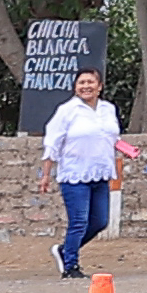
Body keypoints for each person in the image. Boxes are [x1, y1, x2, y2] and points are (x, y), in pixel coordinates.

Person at [39, 68, 134, 277]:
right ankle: (71, 265)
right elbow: (52, 143)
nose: (86, 86)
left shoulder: (108, 109)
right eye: (81, 83)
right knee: (79, 221)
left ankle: (65, 250)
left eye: (91, 82)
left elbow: (110, 137)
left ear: (99, 86)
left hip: (100, 173)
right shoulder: (67, 110)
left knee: (100, 221)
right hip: (74, 174)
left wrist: (124, 149)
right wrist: (45, 174)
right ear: (75, 87)